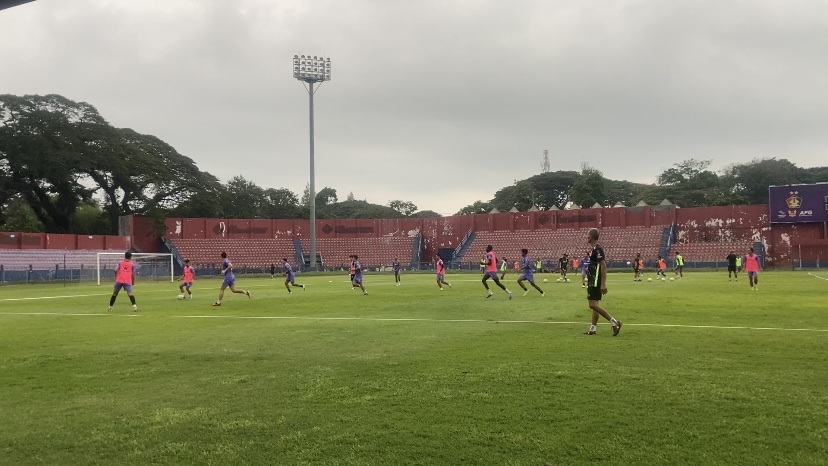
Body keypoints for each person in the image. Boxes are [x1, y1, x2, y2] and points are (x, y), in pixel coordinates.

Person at [584, 228, 622, 336]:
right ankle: (593, 329)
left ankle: (615, 322)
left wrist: (603, 283)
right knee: (595, 305)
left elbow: (603, 266)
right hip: (593, 280)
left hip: (595, 281)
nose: (587, 237)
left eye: (588, 235)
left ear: (591, 236)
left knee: (592, 305)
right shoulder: (594, 249)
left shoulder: (598, 249)